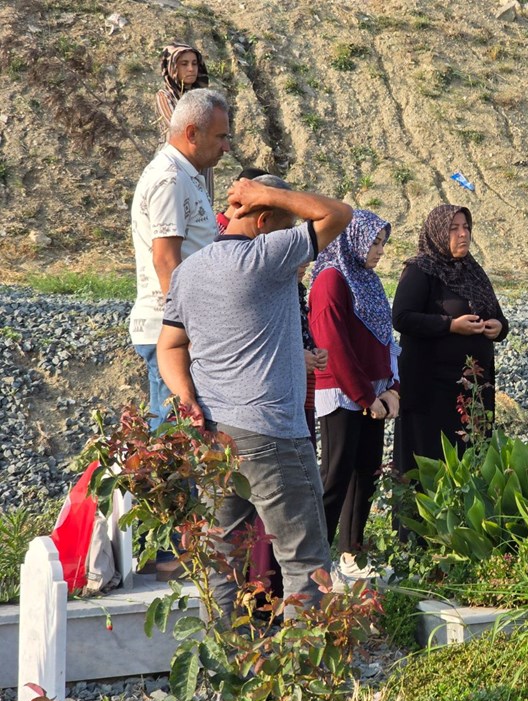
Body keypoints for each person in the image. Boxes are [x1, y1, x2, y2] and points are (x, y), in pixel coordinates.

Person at [157, 174, 353, 620]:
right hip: (272, 434)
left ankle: (227, 661)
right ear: (263, 221)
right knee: (305, 563)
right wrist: (266, 194)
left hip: (214, 435)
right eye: (285, 224)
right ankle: (303, 662)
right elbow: (339, 214)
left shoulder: (189, 270)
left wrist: (186, 396)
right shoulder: (266, 255)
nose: (293, 236)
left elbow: (170, 346)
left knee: (221, 562)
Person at [130, 88, 230, 430]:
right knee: (174, 438)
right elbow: (165, 260)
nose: (226, 148)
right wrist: (185, 330)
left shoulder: (185, 174)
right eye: (220, 137)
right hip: (170, 331)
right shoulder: (170, 179)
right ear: (192, 133)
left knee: (184, 437)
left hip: (179, 329)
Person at [309, 209, 399, 579]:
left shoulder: (367, 280)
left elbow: (386, 340)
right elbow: (334, 346)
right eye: (374, 242)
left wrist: (393, 388)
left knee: (366, 472)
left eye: (382, 243)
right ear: (354, 239)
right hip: (343, 393)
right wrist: (366, 397)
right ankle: (313, 563)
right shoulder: (331, 279)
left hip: (373, 393)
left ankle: (352, 555)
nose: (379, 251)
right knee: (335, 475)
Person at [392, 204, 508, 476]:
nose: (463, 234)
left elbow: (497, 315)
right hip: (431, 390)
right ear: (437, 233)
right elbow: (402, 318)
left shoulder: (473, 271)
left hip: (473, 389)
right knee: (430, 461)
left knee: (470, 458)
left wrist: (499, 327)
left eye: (466, 227)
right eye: (453, 229)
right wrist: (451, 325)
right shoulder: (420, 270)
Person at [155, 43, 215, 203]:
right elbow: (178, 126)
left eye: (194, 64)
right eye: (184, 64)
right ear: (172, 67)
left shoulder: (206, 97)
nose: (191, 69)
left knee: (203, 203)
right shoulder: (165, 96)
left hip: (202, 157)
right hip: (175, 160)